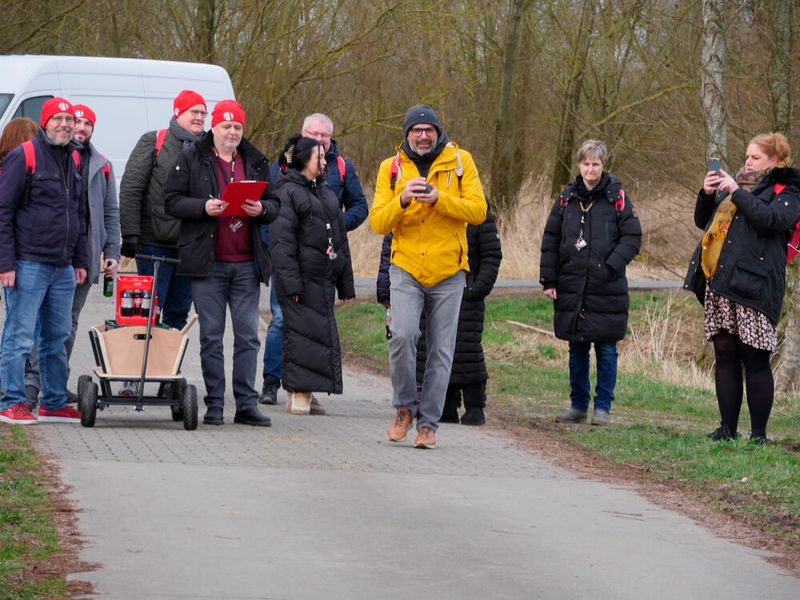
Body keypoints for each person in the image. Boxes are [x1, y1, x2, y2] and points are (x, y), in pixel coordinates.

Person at [369, 104, 487, 449]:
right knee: (402, 336)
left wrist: (440, 199)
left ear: (438, 132)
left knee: (441, 350)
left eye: (429, 130)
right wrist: (403, 200)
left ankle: (429, 424)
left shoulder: (461, 161)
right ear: (406, 134)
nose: (423, 136)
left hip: (449, 270)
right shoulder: (389, 168)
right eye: (416, 131)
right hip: (405, 266)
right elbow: (378, 222)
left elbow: (479, 210)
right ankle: (404, 407)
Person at [164, 100, 275, 427]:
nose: (232, 132)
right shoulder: (191, 157)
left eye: (237, 127)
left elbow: (276, 202)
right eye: (226, 126)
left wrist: (263, 210)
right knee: (211, 336)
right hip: (207, 264)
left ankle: (246, 404)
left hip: (245, 265)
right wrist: (203, 207)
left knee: (248, 336)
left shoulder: (254, 161)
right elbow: (170, 201)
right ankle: (214, 404)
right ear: (214, 127)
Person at [684, 132, 800, 444]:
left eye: (755, 157)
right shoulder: (735, 185)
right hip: (721, 281)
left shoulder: (787, 189)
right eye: (747, 156)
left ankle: (759, 435)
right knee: (725, 352)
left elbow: (772, 220)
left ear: (775, 160)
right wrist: (707, 194)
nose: (748, 162)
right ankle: (727, 430)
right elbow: (702, 221)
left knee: (755, 357)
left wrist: (736, 192)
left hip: (756, 286)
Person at [259, 113, 368, 412]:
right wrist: (282, 266)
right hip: (291, 266)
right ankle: (272, 381)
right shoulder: (284, 172)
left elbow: (357, 209)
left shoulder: (339, 171)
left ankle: (303, 387)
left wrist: (331, 226)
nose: (319, 141)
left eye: (324, 136)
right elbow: (274, 217)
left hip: (322, 270)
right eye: (313, 134)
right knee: (283, 322)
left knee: (315, 330)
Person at [539, 139, 641, 427]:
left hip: (607, 286)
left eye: (595, 163)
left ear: (603, 165)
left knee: (606, 349)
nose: (590, 169)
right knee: (577, 348)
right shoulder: (565, 199)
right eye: (586, 163)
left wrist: (611, 265)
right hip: (572, 285)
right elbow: (551, 240)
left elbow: (632, 237)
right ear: (579, 165)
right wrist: (549, 278)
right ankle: (578, 405)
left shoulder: (617, 197)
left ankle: (603, 407)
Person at [0, 98, 88, 425]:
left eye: (69, 118)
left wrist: (79, 260)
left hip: (62, 266)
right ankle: (10, 401)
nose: (65, 124)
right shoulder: (24, 156)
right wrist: (6, 263)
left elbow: (78, 215)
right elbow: (3, 210)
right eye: (58, 119)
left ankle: (52, 402)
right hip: (27, 263)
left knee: (57, 336)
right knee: (20, 335)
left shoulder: (73, 160)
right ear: (45, 122)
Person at [25, 104, 120, 405]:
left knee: (69, 324)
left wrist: (112, 252)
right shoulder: (56, 157)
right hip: (53, 256)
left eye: (86, 123)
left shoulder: (103, 164)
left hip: (85, 259)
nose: (80, 127)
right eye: (76, 121)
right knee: (42, 323)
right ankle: (31, 383)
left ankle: (55, 383)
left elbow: (111, 213)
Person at [376, 206, 502, 426]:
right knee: (430, 346)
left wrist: (476, 289)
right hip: (429, 286)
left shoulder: (478, 210)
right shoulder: (420, 205)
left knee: (467, 348)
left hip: (467, 293)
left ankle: (474, 404)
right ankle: (445, 404)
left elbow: (491, 255)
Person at [119, 89, 206, 331]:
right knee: (149, 313)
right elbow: (131, 188)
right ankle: (144, 365)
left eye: (203, 113)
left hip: (190, 248)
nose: (199, 117)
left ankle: (168, 367)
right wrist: (130, 234)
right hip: (154, 245)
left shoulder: (209, 149)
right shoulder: (154, 141)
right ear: (178, 113)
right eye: (194, 112)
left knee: (178, 314)